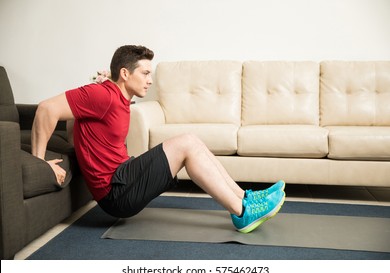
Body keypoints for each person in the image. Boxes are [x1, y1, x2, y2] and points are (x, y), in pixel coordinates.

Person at [31, 45, 285, 233]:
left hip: (123, 177)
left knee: (192, 141)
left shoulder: (115, 97)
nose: (150, 80)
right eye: (145, 73)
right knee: (186, 143)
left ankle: (245, 198)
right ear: (125, 73)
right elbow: (46, 109)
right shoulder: (103, 95)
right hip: (116, 192)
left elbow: (75, 123)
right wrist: (40, 164)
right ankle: (242, 212)